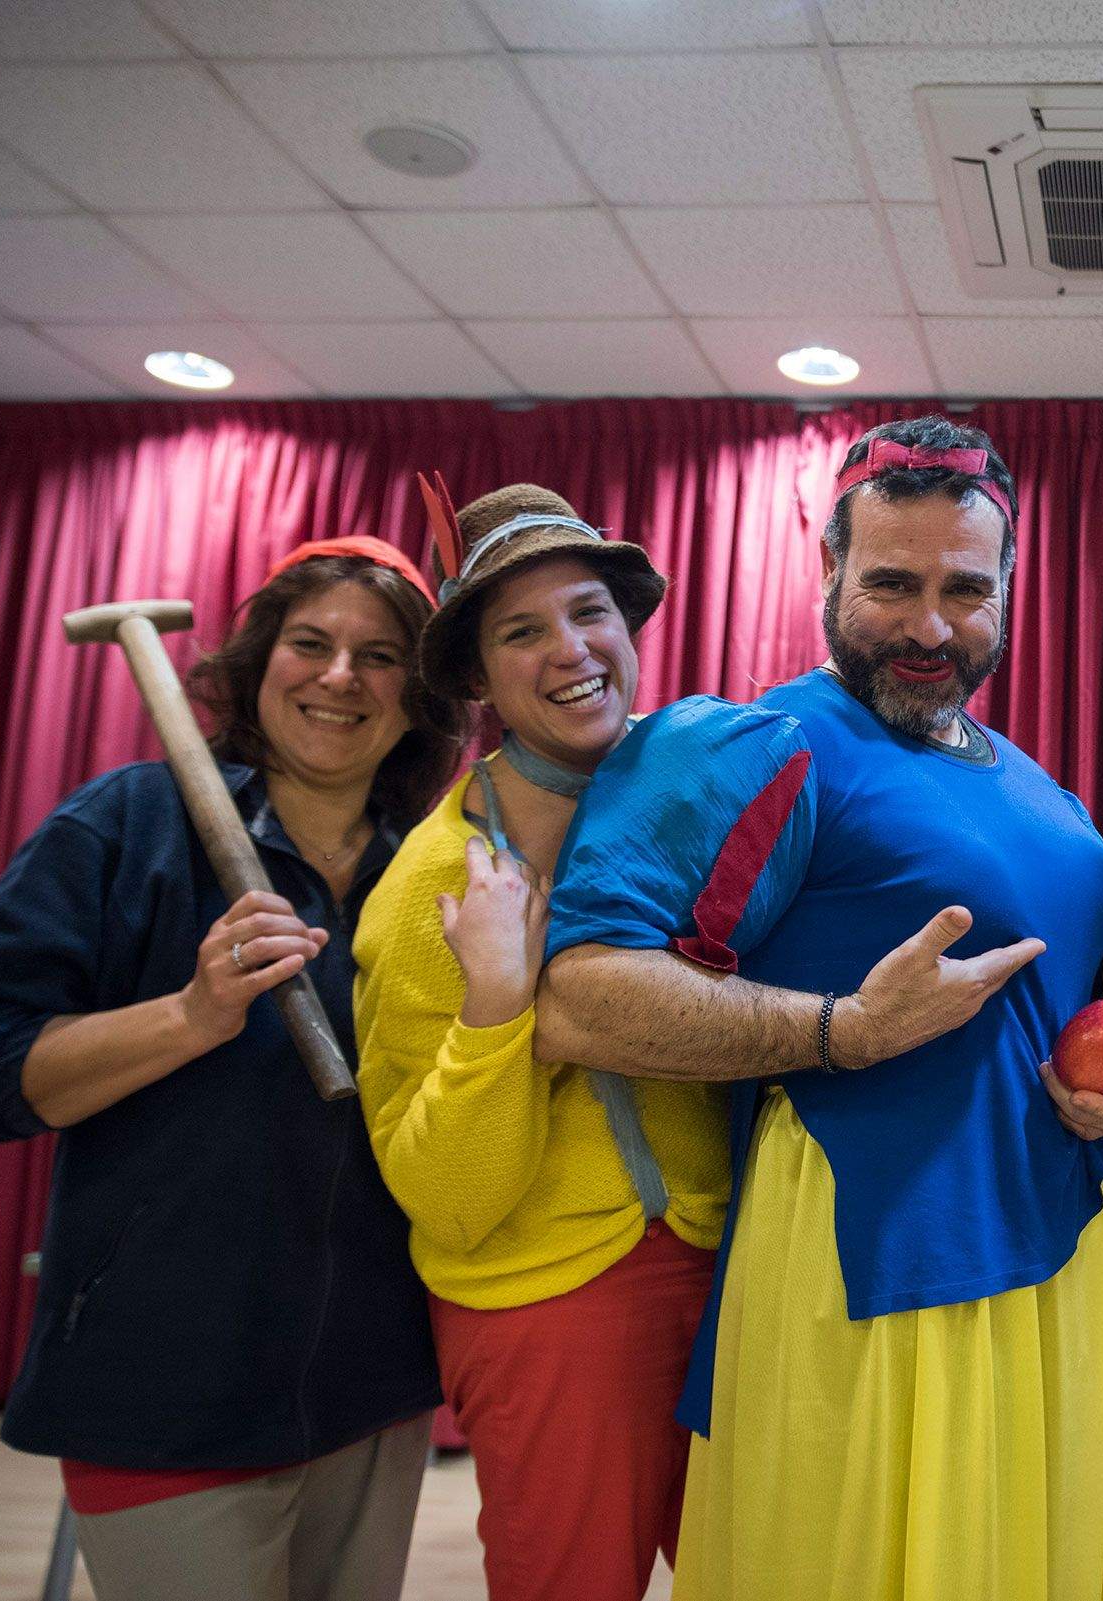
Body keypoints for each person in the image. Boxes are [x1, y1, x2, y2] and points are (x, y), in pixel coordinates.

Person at [530, 415, 1103, 1601]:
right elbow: (579, 995)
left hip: (1051, 1256)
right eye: (891, 584)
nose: (929, 627)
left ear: (1008, 587)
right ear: (827, 569)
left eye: (965, 589)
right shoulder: (763, 741)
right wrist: (840, 1029)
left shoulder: (1035, 783)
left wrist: (1098, 1077)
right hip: (869, 1256)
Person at [0, 537, 466, 1601]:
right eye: (310, 643)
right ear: (259, 664)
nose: (341, 676)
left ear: (421, 696)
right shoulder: (126, 825)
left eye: (380, 655)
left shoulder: (432, 868)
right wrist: (188, 1015)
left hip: (374, 1383)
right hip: (160, 1383)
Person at [352, 482, 723, 1599]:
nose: (570, 648)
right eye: (522, 630)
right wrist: (496, 1009)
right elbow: (447, 1196)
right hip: (549, 1299)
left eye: (589, 611)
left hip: (730, 1264)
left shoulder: (702, 792)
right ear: (475, 676)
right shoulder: (429, 889)